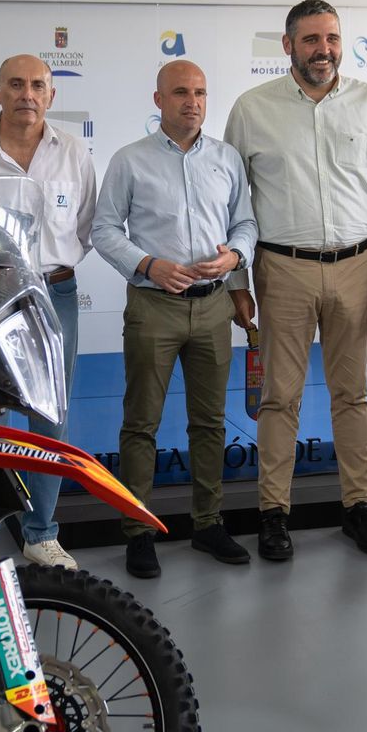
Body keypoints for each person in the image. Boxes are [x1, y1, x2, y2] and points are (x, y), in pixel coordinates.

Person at [224, 0, 367, 560]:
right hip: (282, 268)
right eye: (311, 39)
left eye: (332, 38)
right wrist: (238, 282)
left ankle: (359, 507)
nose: (324, 50)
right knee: (279, 397)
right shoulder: (252, 109)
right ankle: (273, 514)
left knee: (353, 395)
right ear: (288, 45)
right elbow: (231, 204)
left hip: (358, 266)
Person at [92, 60, 258, 579]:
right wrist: (148, 264)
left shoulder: (227, 158)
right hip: (153, 306)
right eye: (182, 92)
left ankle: (208, 523)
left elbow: (246, 223)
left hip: (213, 306)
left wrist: (234, 257)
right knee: (141, 423)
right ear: (159, 99)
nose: (193, 102)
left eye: (201, 93)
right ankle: (138, 531)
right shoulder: (130, 160)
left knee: (210, 422)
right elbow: (103, 229)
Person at [0, 54, 96, 569]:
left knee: (50, 414)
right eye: (15, 84)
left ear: (51, 95)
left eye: (37, 85)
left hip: (56, 295)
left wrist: (43, 271)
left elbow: (85, 228)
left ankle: (40, 533)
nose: (26, 94)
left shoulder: (74, 153)